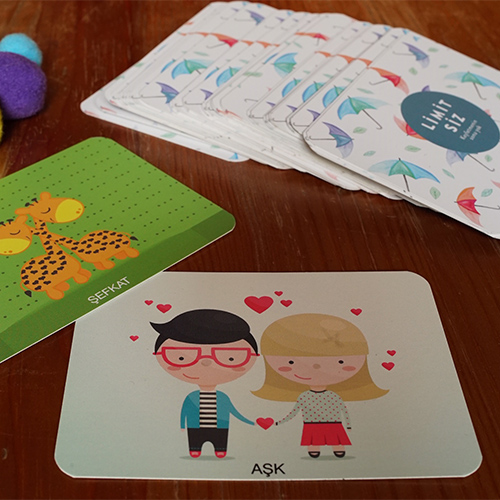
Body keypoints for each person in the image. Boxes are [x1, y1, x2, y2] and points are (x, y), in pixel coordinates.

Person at [253, 313, 388, 459]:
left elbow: (343, 409)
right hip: (312, 424)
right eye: (291, 362)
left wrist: (348, 424)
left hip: (333, 423)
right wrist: (280, 422)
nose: (316, 367)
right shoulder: (304, 396)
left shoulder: (333, 396)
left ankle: (337, 449)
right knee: (314, 440)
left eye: (341, 361)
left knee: (336, 440)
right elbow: (295, 411)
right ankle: (315, 450)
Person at [151, 309, 259, 458]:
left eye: (231, 358)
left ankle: (220, 449)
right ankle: (195, 449)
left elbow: (233, 412)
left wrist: (249, 422)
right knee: (195, 441)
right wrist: (182, 425)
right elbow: (185, 412)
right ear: (157, 354)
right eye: (182, 357)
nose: (206, 362)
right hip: (195, 427)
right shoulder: (192, 398)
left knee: (220, 441)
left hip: (221, 427)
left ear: (255, 356)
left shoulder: (222, 398)